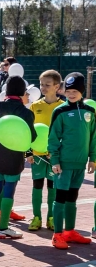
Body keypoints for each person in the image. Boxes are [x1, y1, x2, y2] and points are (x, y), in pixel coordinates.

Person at [0, 76, 36, 240]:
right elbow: (30, 138)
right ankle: (3, 227)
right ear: (22, 93)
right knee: (9, 190)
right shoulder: (26, 112)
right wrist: (29, 155)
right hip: (14, 157)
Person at [48, 73, 96, 248]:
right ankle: (57, 235)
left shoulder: (90, 112)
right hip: (63, 164)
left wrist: (93, 159)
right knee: (60, 198)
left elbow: (93, 137)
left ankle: (69, 231)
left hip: (80, 164)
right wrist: (55, 160)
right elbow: (53, 138)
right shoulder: (60, 111)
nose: (71, 94)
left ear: (82, 91)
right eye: (68, 91)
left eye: (75, 90)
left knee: (72, 198)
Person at [29, 70, 64, 231]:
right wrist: (28, 151)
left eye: (47, 85)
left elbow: (65, 132)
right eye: (41, 84)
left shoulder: (63, 107)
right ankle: (36, 217)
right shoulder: (35, 106)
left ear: (57, 86)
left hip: (54, 156)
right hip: (37, 155)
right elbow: (28, 131)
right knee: (37, 185)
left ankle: (51, 217)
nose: (43, 87)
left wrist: (57, 151)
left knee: (52, 186)